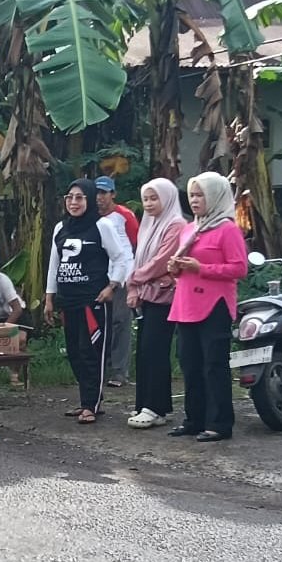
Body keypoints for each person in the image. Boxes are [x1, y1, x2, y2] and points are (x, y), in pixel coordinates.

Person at [44, 178, 134, 425]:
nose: (74, 202)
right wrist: (49, 297)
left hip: (93, 300)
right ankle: (87, 399)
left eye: (80, 197)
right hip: (68, 300)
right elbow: (55, 264)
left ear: (89, 199)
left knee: (91, 351)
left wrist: (112, 286)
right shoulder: (60, 228)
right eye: (70, 197)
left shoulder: (101, 225)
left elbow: (121, 258)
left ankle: (91, 404)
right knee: (74, 352)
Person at [166, 172, 248, 443]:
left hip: (215, 305)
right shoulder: (190, 229)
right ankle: (194, 419)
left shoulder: (228, 229)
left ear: (215, 196)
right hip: (186, 303)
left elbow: (239, 268)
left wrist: (202, 268)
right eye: (192, 195)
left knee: (214, 365)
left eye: (200, 195)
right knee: (189, 363)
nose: (195, 200)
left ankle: (220, 423)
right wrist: (175, 269)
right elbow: (183, 271)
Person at [126, 178, 186, 429]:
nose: (149, 204)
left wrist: (133, 279)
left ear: (167, 198)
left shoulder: (176, 224)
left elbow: (162, 261)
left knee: (156, 349)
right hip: (147, 294)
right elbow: (139, 257)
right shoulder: (148, 223)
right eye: (146, 199)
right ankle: (145, 404)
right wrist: (135, 285)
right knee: (145, 351)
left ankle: (156, 408)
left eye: (154, 198)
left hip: (165, 296)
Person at [96, 176, 139, 388]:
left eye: (104, 193)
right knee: (103, 323)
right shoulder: (90, 215)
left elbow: (134, 244)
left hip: (122, 275)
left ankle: (120, 371)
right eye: (97, 193)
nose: (100, 198)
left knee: (121, 321)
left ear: (112, 194)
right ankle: (103, 368)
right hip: (100, 276)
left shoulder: (124, 215)